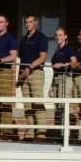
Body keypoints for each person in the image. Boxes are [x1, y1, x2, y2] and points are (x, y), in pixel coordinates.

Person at [18, 14, 49, 142]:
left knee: (37, 103)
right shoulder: (23, 39)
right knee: (27, 105)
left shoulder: (41, 37)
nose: (28, 24)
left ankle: (41, 134)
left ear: (35, 22)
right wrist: (20, 77)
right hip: (24, 75)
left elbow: (43, 58)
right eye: (26, 22)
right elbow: (21, 60)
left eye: (30, 22)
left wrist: (29, 68)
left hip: (36, 73)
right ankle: (30, 133)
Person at [48, 28, 77, 142]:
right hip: (56, 79)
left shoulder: (68, 49)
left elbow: (74, 63)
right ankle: (57, 136)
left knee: (63, 107)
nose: (57, 37)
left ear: (65, 36)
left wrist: (63, 64)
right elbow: (55, 70)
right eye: (56, 35)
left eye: (60, 35)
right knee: (57, 108)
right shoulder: (57, 51)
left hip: (65, 78)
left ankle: (65, 136)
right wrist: (51, 85)